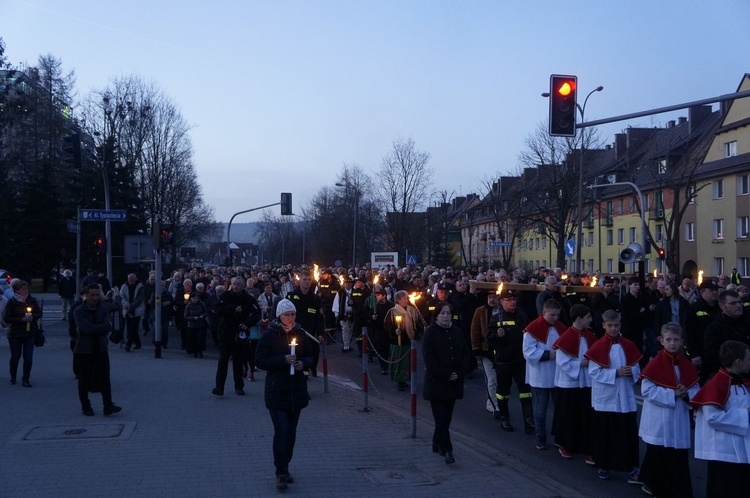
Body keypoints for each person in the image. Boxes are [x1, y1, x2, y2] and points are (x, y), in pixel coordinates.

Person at [255, 299, 313, 490]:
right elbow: (260, 361)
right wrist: (283, 359)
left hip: (296, 391)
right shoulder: (269, 336)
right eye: (287, 314)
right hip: (276, 390)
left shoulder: (301, 334)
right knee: (282, 430)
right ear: (279, 315)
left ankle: (286, 465)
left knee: (291, 433)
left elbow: (310, 355)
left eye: (293, 314)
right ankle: (280, 471)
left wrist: (302, 364)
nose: (290, 318)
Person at [638, 323, 700, 497]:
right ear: (661, 341)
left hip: (679, 415)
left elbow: (696, 387)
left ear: (681, 341)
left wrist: (687, 394)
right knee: (659, 454)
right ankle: (657, 487)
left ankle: (679, 489)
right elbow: (647, 390)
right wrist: (672, 393)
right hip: (660, 417)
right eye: (669, 340)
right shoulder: (655, 363)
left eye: (676, 340)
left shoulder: (686, 364)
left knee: (678, 456)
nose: (672, 343)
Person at [584, 310, 642, 482]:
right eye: (610, 325)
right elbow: (594, 372)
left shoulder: (628, 344)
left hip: (625, 396)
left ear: (620, 324)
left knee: (627, 433)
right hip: (606, 397)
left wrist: (632, 371)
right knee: (605, 434)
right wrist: (615, 373)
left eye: (616, 325)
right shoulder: (598, 346)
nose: (613, 328)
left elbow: (638, 367)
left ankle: (631, 466)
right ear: (603, 325)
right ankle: (603, 465)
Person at [691, 340, 750, 496]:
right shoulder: (717, 384)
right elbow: (714, 418)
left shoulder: (743, 382)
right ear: (738, 362)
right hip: (723, 451)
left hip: (743, 449)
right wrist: (746, 414)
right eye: (748, 359)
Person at [422, 303, 471, 465]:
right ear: (436, 315)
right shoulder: (430, 333)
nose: (445, 316)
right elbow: (429, 359)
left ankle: (436, 442)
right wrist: (445, 374)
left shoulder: (457, 332)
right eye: (442, 313)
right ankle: (448, 449)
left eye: (448, 313)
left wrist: (459, 372)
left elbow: (465, 354)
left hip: (453, 382)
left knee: (446, 418)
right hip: (437, 382)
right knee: (440, 417)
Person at [551, 303, 597, 461]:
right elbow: (562, 361)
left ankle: (587, 447)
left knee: (586, 416)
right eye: (588, 317)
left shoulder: (589, 335)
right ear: (579, 319)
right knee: (569, 416)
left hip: (586, 382)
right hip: (569, 383)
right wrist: (580, 364)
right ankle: (566, 444)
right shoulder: (566, 338)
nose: (591, 320)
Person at [72, 283, 122, 416]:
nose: (95, 298)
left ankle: (108, 405)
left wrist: (101, 327)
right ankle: (86, 406)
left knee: (105, 378)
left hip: (100, 347)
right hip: (84, 349)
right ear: (86, 295)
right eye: (92, 295)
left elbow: (108, 326)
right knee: (84, 379)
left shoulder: (103, 309)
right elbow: (86, 329)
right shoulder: (79, 310)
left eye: (97, 295)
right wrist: (102, 327)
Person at [487, 288, 533, 433]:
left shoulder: (522, 316)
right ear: (502, 302)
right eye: (509, 300)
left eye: (514, 300)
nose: (512, 302)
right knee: (503, 392)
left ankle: (529, 422)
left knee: (525, 392)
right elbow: (488, 340)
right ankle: (504, 418)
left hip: (520, 360)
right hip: (503, 361)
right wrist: (497, 336)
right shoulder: (496, 319)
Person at [523, 298, 566, 450]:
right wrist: (549, 355)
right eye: (552, 315)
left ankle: (559, 435)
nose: (555, 318)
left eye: (557, 315)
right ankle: (540, 435)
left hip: (557, 374)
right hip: (540, 374)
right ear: (544, 312)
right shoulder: (533, 328)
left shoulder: (561, 327)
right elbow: (528, 351)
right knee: (541, 407)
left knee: (559, 408)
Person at [212, 277, 261, 396]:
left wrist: (247, 324)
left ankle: (239, 386)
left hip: (240, 334)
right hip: (225, 333)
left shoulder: (248, 299)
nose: (235, 286)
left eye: (238, 284)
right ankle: (219, 387)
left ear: (243, 286)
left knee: (238, 362)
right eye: (233, 284)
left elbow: (257, 313)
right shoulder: (225, 296)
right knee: (222, 362)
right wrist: (232, 308)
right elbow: (217, 309)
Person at [4, 279, 42, 387]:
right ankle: (13, 376)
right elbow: (7, 318)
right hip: (15, 333)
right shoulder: (12, 301)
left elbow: (39, 313)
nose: (25, 291)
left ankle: (26, 379)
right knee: (15, 356)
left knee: (28, 357)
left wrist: (32, 317)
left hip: (29, 333)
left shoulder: (31, 300)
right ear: (16, 290)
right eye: (23, 289)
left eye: (26, 288)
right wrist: (21, 320)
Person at [384, 290, 423, 391]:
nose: (406, 300)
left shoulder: (412, 310)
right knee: (399, 362)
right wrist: (394, 330)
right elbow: (387, 325)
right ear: (398, 300)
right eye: (404, 299)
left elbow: (417, 322)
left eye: (407, 298)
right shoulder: (393, 311)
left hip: (408, 340)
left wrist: (419, 330)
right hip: (397, 341)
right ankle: (399, 381)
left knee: (407, 363)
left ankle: (405, 379)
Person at [471, 291, 502, 416]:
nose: (492, 300)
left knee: (500, 379)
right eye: (489, 297)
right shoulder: (480, 311)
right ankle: (492, 404)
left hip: (501, 351)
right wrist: (476, 348)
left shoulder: (502, 311)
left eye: (494, 297)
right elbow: (475, 330)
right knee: (491, 379)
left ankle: (499, 402)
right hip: (486, 350)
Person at [370, 287, 395, 375]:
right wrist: (373, 318)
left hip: (389, 331)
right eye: (376, 295)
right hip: (379, 330)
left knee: (388, 349)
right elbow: (372, 319)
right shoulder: (376, 306)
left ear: (384, 296)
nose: (377, 297)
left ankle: (388, 363)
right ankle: (383, 366)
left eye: (379, 295)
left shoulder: (391, 306)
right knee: (380, 348)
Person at [120, 273, 145, 352]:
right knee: (130, 327)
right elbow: (121, 297)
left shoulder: (140, 287)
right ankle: (138, 343)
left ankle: (128, 344)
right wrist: (126, 304)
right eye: (129, 280)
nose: (130, 282)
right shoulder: (124, 286)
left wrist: (130, 306)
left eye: (132, 280)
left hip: (136, 310)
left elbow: (139, 299)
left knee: (133, 327)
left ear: (136, 279)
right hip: (127, 309)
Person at [184, 291, 208, 358]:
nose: (195, 300)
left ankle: (200, 351)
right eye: (193, 298)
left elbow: (206, 312)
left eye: (196, 298)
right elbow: (186, 316)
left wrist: (203, 316)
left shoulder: (202, 304)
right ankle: (194, 351)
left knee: (200, 339)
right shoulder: (188, 305)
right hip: (192, 325)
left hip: (201, 324)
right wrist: (193, 318)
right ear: (191, 298)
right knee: (193, 339)